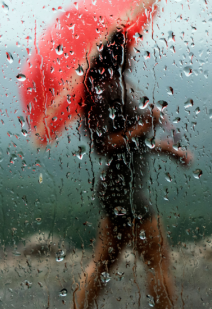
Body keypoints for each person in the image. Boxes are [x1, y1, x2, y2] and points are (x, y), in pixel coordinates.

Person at [73, 30, 192, 309]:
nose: (133, 53)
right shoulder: (106, 90)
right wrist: (144, 125)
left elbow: (134, 145)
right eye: (129, 49)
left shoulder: (120, 86)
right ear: (117, 54)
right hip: (123, 190)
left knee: (103, 263)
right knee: (157, 260)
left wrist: (170, 151)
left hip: (120, 189)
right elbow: (103, 144)